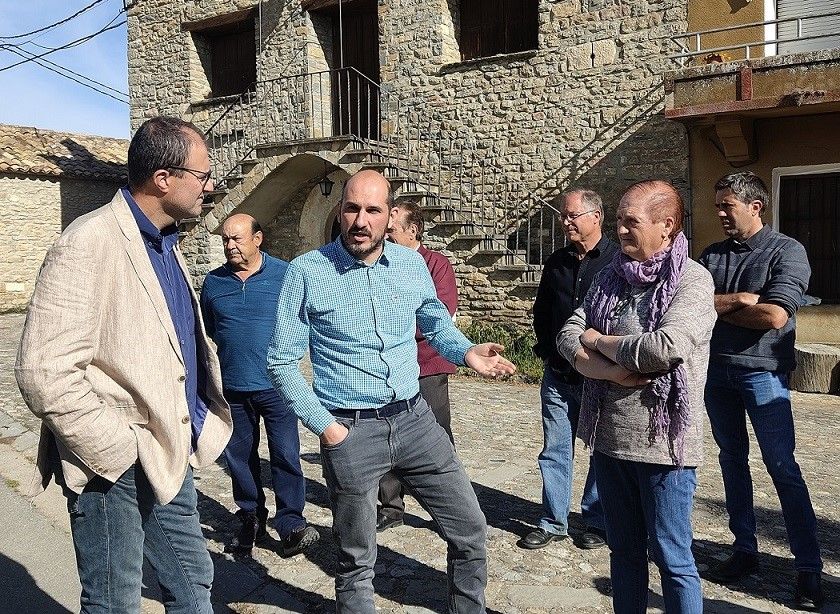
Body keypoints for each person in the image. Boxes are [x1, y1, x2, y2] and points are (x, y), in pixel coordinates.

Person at [266, 169, 516, 613]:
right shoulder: (306, 272)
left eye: (373, 210)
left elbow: (437, 325)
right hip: (351, 431)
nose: (361, 220)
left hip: (416, 421)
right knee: (355, 559)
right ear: (340, 211)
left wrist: (467, 353)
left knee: (470, 530)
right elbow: (282, 362)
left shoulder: (410, 264)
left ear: (389, 216)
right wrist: (326, 427)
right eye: (352, 208)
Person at [15, 116, 233, 613]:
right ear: (164, 179)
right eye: (202, 175)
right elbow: (42, 372)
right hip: (112, 462)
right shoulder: (87, 241)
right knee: (114, 602)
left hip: (166, 448)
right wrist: (119, 448)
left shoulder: (164, 242)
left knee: (192, 578)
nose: (210, 185)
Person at [557, 180, 716, 614]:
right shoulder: (610, 275)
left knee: (672, 558)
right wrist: (610, 370)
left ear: (666, 226)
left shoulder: (693, 280)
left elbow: (664, 348)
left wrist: (599, 339)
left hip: (665, 448)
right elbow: (567, 335)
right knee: (623, 553)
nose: (621, 232)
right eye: (620, 221)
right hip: (610, 442)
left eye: (632, 223)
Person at [699, 171, 823, 608]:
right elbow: (689, 305)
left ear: (755, 206)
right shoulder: (711, 255)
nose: (719, 213)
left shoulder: (788, 252)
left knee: (781, 466)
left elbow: (774, 317)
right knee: (731, 461)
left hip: (763, 372)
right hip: (717, 372)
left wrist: (718, 307)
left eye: (726, 205)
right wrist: (739, 301)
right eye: (717, 205)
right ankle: (744, 550)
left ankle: (808, 568)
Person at [200, 213, 319, 556]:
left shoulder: (286, 275)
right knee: (239, 456)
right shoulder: (214, 283)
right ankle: (250, 516)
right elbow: (210, 329)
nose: (230, 245)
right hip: (233, 387)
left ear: (257, 238)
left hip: (278, 386)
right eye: (225, 239)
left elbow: (305, 320)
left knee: (285, 453)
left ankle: (291, 523)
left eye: (237, 238)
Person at [520, 189, 616, 551]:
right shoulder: (557, 261)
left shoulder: (616, 262)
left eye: (572, 215)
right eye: (563, 215)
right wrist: (548, 352)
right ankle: (552, 521)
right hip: (558, 374)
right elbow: (542, 311)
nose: (565, 221)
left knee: (601, 450)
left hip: (599, 375)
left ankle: (596, 520)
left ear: (596, 217)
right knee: (555, 449)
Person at [376, 200, 458, 532]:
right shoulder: (379, 263)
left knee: (437, 435)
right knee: (385, 435)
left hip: (428, 364)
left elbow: (441, 312)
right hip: (388, 366)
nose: (386, 235)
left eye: (391, 230)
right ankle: (390, 505)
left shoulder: (436, 264)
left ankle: (447, 507)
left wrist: (392, 328)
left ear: (413, 230)